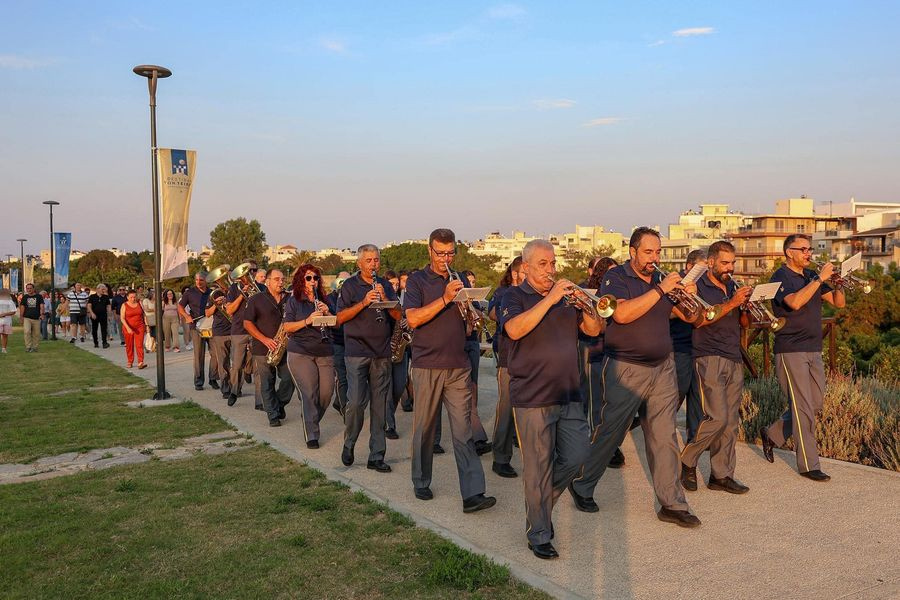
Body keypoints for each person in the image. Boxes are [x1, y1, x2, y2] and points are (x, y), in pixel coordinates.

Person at [571, 227, 701, 528]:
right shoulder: (616, 278)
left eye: (658, 252)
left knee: (664, 436)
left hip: (662, 367)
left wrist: (688, 297)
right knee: (610, 433)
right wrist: (660, 291)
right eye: (648, 252)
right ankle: (581, 483)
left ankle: (672, 503)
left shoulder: (660, 281)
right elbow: (621, 315)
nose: (654, 259)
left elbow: (691, 318)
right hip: (626, 368)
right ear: (633, 252)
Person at [502, 240, 601, 559]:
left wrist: (587, 305)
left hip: (570, 392)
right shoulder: (513, 296)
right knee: (537, 467)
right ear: (526, 266)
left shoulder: (566, 300)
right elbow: (515, 330)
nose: (551, 270)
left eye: (553, 263)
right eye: (543, 264)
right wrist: (551, 298)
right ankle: (539, 532)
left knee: (577, 455)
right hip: (532, 396)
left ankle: (540, 505)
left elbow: (594, 329)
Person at [404, 228, 495, 512]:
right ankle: (421, 480)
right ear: (429, 251)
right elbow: (413, 319)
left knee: (463, 430)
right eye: (440, 253)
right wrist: (444, 299)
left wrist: (471, 314)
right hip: (427, 365)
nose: (446, 258)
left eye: (450, 252)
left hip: (458, 366)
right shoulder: (417, 282)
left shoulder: (460, 280)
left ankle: (472, 493)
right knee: (425, 429)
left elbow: (469, 326)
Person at [760, 234, 845, 482]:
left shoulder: (810, 276)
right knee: (803, 408)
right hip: (790, 349)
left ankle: (773, 434)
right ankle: (809, 464)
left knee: (815, 403)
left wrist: (839, 282)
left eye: (810, 249)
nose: (809, 253)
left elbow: (838, 304)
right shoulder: (780, 277)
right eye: (804, 249)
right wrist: (819, 279)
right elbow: (795, 302)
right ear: (789, 252)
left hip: (813, 347)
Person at [680, 241, 753, 494]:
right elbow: (700, 320)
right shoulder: (697, 286)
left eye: (732, 263)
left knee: (731, 422)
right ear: (710, 262)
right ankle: (687, 459)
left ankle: (721, 475)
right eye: (725, 263)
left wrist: (745, 306)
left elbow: (745, 323)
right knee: (717, 417)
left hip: (733, 356)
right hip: (707, 356)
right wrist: (733, 303)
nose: (729, 268)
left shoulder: (732, 285)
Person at [336, 245, 399, 473]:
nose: (374, 264)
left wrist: (385, 299)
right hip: (356, 352)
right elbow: (339, 318)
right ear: (359, 264)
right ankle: (349, 443)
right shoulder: (350, 286)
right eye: (369, 261)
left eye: (376, 260)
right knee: (355, 403)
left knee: (380, 407)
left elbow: (399, 315)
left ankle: (376, 455)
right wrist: (364, 302)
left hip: (381, 353)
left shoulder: (384, 285)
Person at [580, 257, 626, 469]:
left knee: (613, 402)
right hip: (592, 351)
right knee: (594, 401)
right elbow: (594, 328)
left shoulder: (619, 291)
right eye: (610, 273)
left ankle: (609, 444)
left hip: (613, 353)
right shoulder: (587, 291)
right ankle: (594, 446)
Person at [283, 264, 336, 449]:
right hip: (301, 352)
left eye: (315, 278)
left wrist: (327, 312)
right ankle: (312, 434)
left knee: (327, 393)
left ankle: (310, 417)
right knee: (309, 393)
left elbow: (336, 324)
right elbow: (287, 327)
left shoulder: (325, 299)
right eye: (308, 278)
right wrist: (308, 320)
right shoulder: (294, 301)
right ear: (301, 280)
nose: (313, 281)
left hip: (325, 351)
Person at [487, 256, 524, 478]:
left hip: (533, 360)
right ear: (516, 273)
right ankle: (500, 457)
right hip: (509, 358)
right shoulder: (504, 293)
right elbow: (493, 314)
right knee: (506, 409)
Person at [243, 269, 294, 427]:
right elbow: (247, 323)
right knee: (267, 382)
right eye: (277, 279)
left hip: (285, 346)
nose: (281, 282)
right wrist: (265, 339)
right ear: (268, 281)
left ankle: (278, 405)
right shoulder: (256, 299)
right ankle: (273, 415)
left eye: (282, 279)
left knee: (289, 379)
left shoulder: (289, 298)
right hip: (263, 347)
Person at [671, 249, 706, 443]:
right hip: (680, 346)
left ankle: (694, 441)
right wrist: (688, 303)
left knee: (698, 400)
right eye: (701, 269)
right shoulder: (677, 284)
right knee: (677, 394)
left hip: (700, 347)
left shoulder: (702, 285)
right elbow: (669, 311)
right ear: (689, 267)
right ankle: (661, 431)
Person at [225, 261, 259, 406]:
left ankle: (260, 399)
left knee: (258, 366)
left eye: (253, 270)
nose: (250, 274)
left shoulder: (261, 288)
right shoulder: (234, 288)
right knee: (237, 364)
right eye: (247, 271)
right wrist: (242, 295)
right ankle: (234, 391)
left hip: (257, 330)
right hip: (239, 330)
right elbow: (229, 310)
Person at [177, 273, 214, 391]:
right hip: (196, 326)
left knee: (215, 354)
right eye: (196, 280)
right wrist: (186, 316)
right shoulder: (190, 292)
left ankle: (213, 378)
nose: (198, 282)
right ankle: (198, 381)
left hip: (212, 325)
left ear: (206, 280)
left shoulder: (212, 292)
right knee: (199, 354)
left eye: (201, 280)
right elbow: (180, 306)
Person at [328, 271, 351, 415]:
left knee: (353, 377)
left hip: (353, 342)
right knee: (342, 377)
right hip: (337, 342)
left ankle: (339, 402)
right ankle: (345, 411)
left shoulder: (354, 297)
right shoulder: (329, 299)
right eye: (341, 281)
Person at [207, 279, 233, 399]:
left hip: (235, 330)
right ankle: (226, 389)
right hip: (220, 332)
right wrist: (216, 304)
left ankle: (236, 387)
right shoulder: (214, 294)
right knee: (223, 362)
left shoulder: (234, 292)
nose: (223, 283)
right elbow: (207, 313)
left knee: (238, 362)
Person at [120, 289, 147, 369]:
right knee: (129, 345)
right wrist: (128, 328)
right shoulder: (124, 305)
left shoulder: (139, 303)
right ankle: (130, 361)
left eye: (134, 297)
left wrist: (147, 325)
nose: (133, 299)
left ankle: (140, 362)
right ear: (127, 297)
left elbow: (144, 315)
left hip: (139, 326)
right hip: (128, 327)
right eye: (131, 297)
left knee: (139, 345)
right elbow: (122, 318)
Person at [18, 283, 43, 352]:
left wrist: (42, 314)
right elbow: (22, 307)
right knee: (27, 331)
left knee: (36, 334)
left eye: (30, 288)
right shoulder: (25, 297)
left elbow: (41, 306)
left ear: (33, 289)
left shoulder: (39, 296)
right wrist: (21, 317)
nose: (29, 290)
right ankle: (28, 347)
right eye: (27, 288)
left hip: (36, 318)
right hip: (27, 318)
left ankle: (35, 347)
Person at [87, 284, 112, 348]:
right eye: (102, 289)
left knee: (104, 329)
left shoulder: (106, 297)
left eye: (104, 289)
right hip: (94, 315)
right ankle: (96, 342)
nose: (103, 290)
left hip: (103, 315)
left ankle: (104, 343)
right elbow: (89, 306)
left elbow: (108, 306)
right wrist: (92, 313)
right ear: (97, 289)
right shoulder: (92, 296)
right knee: (94, 329)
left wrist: (109, 315)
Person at [0, 288, 17, 353]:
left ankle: (3, 349)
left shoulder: (10, 301)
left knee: (5, 335)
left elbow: (13, 311)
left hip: (7, 321)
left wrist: (4, 314)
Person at [180, 285, 194, 351]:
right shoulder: (181, 299)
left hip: (192, 316)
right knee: (186, 331)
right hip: (184, 316)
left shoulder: (192, 298)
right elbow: (180, 309)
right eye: (185, 291)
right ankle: (187, 343)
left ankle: (190, 342)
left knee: (191, 330)